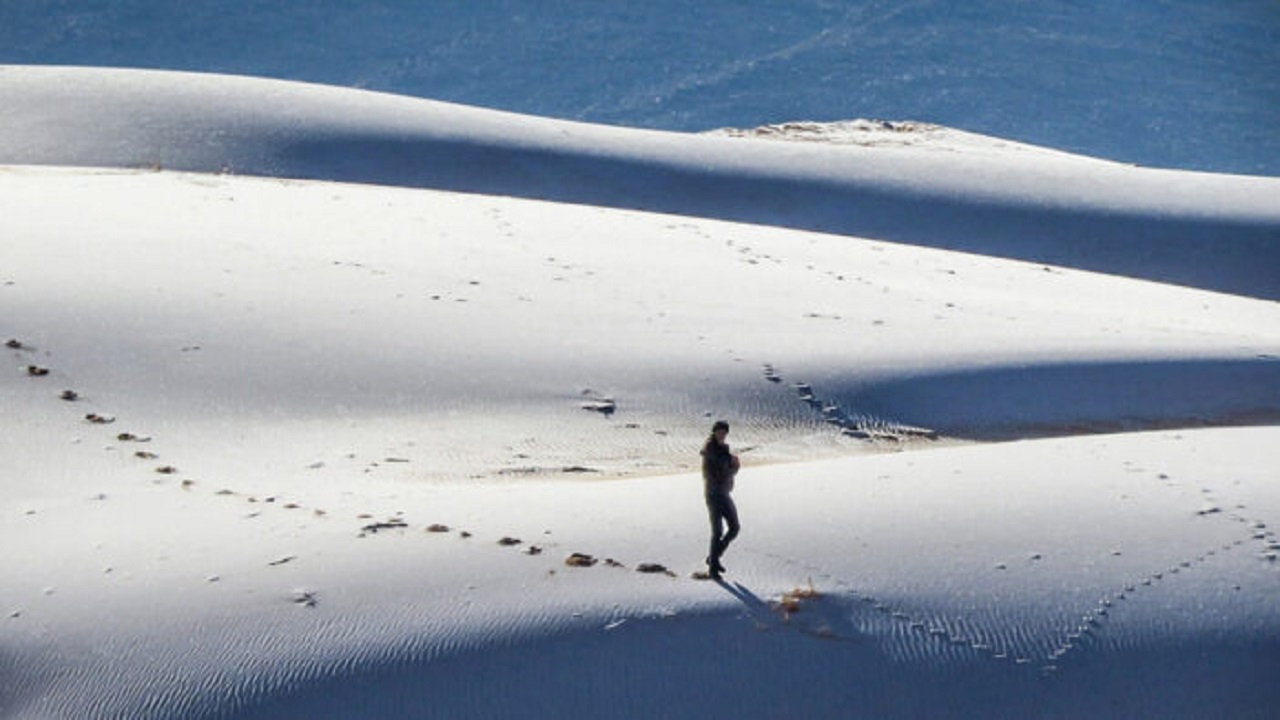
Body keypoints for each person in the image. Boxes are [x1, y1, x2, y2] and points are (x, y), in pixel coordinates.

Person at [701, 420, 740, 579]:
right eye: (720, 431)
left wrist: (733, 466)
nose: (722, 434)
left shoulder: (723, 449)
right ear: (714, 431)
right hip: (713, 494)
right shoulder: (710, 449)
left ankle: (713, 558)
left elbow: (728, 470)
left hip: (723, 493)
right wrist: (733, 466)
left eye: (724, 432)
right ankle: (713, 569)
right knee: (718, 531)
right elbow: (721, 471)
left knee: (734, 528)